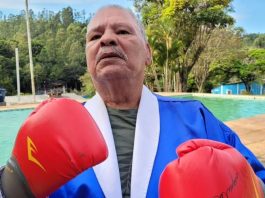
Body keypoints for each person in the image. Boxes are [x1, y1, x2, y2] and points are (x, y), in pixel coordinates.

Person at [0, 4, 264, 198]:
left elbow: (260, 180)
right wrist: (11, 187)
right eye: (95, 37)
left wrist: (246, 186)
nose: (107, 39)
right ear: (88, 57)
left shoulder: (198, 118)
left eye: (123, 31)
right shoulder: (51, 131)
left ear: (148, 53)